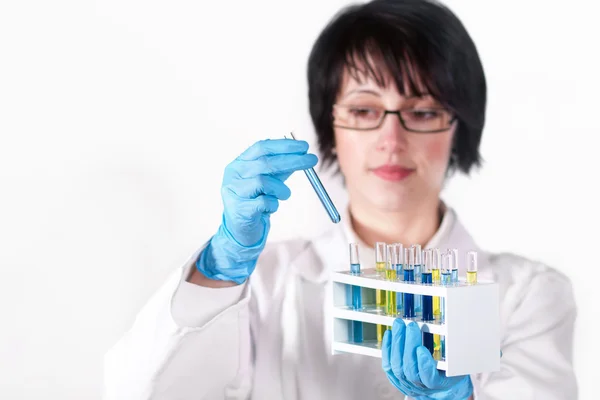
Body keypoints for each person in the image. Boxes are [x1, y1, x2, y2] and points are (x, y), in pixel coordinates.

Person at [103, 0, 577, 399]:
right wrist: (220, 266)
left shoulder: (525, 295)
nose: (391, 138)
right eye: (364, 109)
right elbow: (141, 390)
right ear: (329, 125)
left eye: (423, 110)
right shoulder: (264, 287)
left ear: (461, 127)